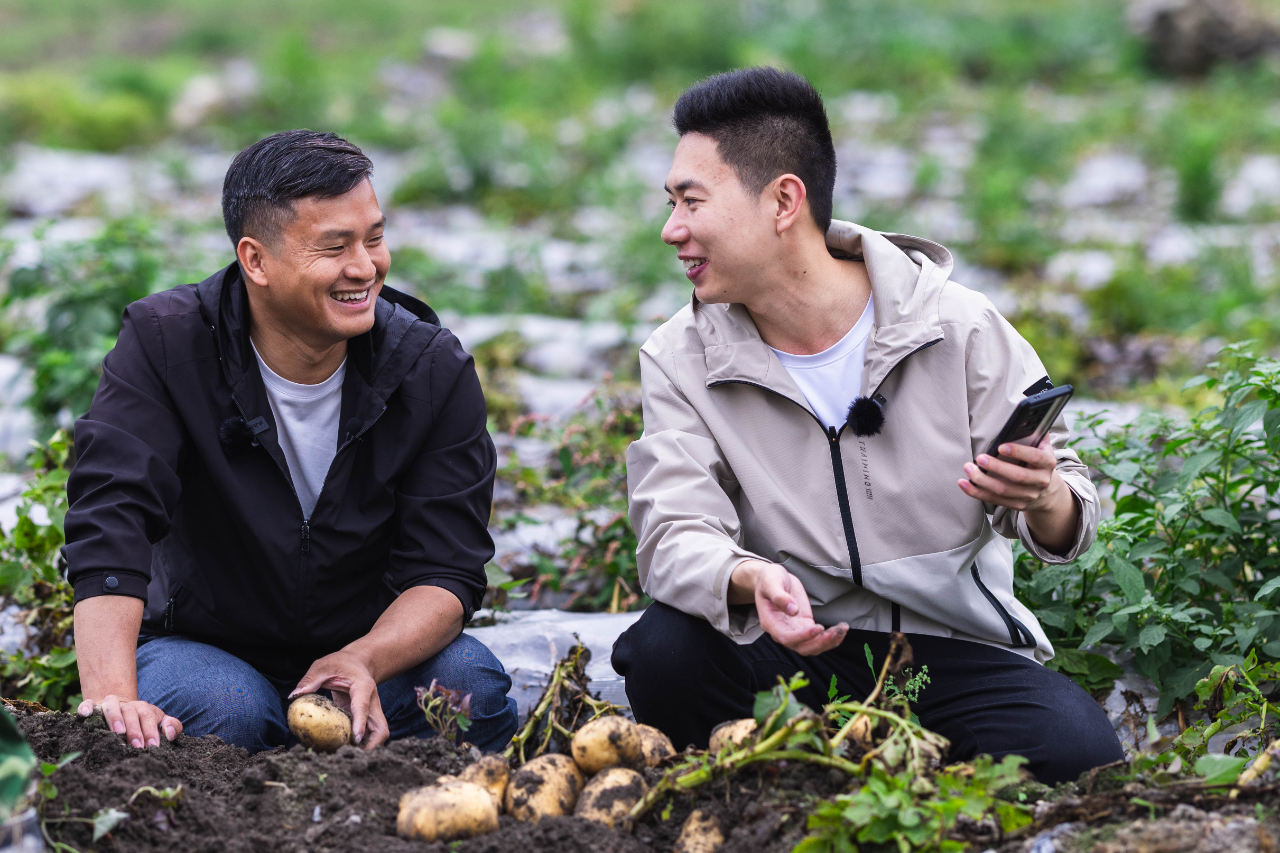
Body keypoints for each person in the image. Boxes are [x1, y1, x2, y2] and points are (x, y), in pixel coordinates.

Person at [611, 68, 1124, 785]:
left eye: (691, 201)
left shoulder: (956, 326)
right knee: (665, 652)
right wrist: (748, 575)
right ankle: (789, 781)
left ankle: (869, 771)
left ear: (784, 200)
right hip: (792, 648)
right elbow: (672, 530)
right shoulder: (680, 357)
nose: (672, 230)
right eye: (670, 202)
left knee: (1082, 754)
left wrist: (1042, 498)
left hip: (947, 651)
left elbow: (1072, 512)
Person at [66, 130, 518, 754]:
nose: (364, 267)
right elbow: (110, 519)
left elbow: (446, 567)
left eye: (375, 238)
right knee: (227, 713)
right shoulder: (166, 346)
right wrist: (114, 697)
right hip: (206, 646)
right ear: (255, 260)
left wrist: (361, 660)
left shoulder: (429, 369)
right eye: (333, 247)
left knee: (469, 688)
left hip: (369, 649)